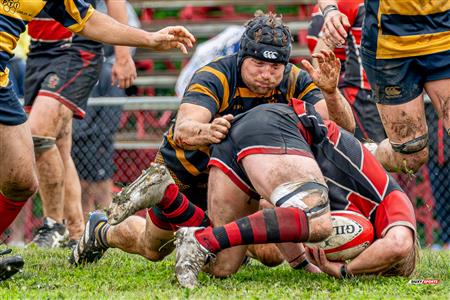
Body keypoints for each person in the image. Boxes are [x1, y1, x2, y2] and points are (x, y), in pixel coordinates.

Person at [70, 12, 355, 267]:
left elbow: (342, 131)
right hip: (189, 171)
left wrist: (331, 93)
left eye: (275, 67)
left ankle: (229, 247)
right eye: (258, 64)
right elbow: (183, 129)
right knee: (153, 248)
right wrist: (207, 132)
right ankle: (101, 230)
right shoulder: (216, 75)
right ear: (243, 56)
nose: (267, 75)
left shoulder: (294, 79)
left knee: (268, 254)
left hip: (239, 179)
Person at [0, 0, 194, 281]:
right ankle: (61, 224)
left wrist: (148, 40)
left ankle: (67, 226)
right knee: (46, 139)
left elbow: (89, 19)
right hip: (39, 54)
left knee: (22, 179)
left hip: (43, 63)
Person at [173, 99, 418, 288]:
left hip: (238, 137)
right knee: (318, 224)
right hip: (281, 126)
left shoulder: (355, 212)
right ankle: (205, 240)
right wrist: (346, 271)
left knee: (223, 266)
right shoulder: (391, 199)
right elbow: (398, 245)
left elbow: (273, 211)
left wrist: (304, 266)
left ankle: (166, 198)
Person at [24, 0, 136, 248]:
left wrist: (123, 56)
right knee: (59, 146)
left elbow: (115, 2)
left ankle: (54, 225)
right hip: (38, 49)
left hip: (76, 47)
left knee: (38, 136)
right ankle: (76, 233)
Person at [317, 0, 450, 173]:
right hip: (389, 49)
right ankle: (364, 152)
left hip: (444, 39)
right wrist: (330, 11)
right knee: (410, 157)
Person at [72, 0, 141, 221]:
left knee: (102, 141)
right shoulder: (76, 6)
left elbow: (131, 37)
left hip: (109, 75)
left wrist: (121, 59)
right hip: (82, 72)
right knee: (78, 141)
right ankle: (82, 224)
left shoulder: (122, 8)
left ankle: (109, 223)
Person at [307, 1, 386, 143]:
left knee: (402, 152)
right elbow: (320, 54)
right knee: (372, 152)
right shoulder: (346, 4)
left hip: (393, 88)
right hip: (362, 92)